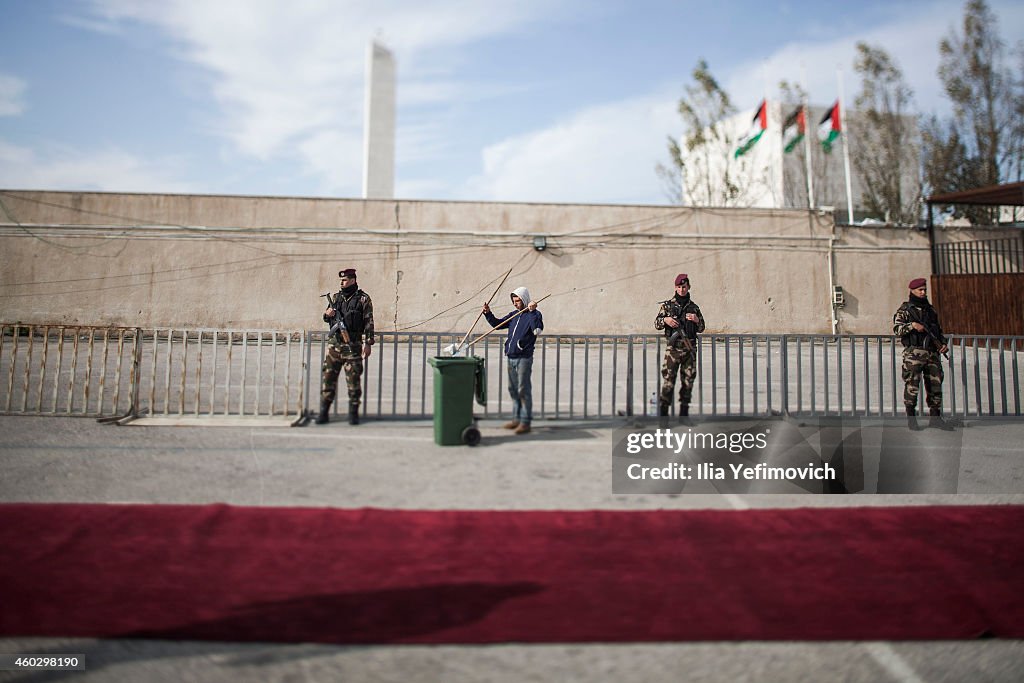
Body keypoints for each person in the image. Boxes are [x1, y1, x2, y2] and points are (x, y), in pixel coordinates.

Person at [482, 286, 543, 434]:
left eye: (518, 301)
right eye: (513, 301)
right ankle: (516, 419)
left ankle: (525, 422)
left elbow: (537, 331)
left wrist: (533, 311)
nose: (515, 304)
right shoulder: (514, 315)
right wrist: (488, 314)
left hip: (524, 358)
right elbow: (497, 325)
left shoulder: (534, 314)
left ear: (524, 299)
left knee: (523, 390)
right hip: (511, 356)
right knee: (513, 390)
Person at [317, 268, 374, 425]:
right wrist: (326, 315)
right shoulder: (336, 298)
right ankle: (323, 411)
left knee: (353, 381)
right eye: (340, 280)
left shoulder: (363, 299)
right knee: (328, 379)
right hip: (335, 347)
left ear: (353, 280)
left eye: (344, 280)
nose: (341, 282)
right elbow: (328, 319)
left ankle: (353, 413)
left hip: (353, 346)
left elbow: (369, 321)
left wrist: (368, 344)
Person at [893, 277, 951, 430]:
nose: (923, 292)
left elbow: (938, 330)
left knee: (935, 386)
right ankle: (912, 419)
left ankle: (936, 418)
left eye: (925, 290)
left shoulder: (930, 310)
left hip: (932, 353)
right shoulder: (906, 310)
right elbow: (897, 329)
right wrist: (912, 325)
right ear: (912, 291)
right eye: (920, 290)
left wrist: (943, 344)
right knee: (912, 385)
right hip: (914, 354)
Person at [655, 273, 706, 423]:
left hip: (689, 350)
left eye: (684, 287)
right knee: (668, 382)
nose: (681, 290)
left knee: (688, 382)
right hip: (673, 350)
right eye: (679, 287)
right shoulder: (667, 306)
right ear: (675, 288)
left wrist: (697, 320)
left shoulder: (694, 307)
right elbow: (657, 323)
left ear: (688, 287)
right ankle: (663, 415)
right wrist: (666, 320)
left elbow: (702, 327)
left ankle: (684, 415)